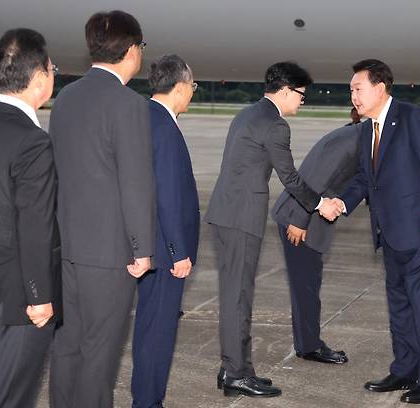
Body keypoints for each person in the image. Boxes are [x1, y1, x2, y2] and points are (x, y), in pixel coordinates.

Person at [205, 61, 343, 398]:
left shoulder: (248, 113)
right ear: (284, 91)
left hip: (225, 214)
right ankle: (237, 373)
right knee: (238, 298)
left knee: (234, 294)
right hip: (241, 219)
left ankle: (236, 367)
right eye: (300, 95)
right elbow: (291, 178)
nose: (301, 101)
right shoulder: (275, 125)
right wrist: (322, 202)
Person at [48, 11, 155, 407]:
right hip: (110, 254)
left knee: (67, 345)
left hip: (68, 246)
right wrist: (142, 248)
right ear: (131, 51)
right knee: (100, 353)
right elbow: (136, 182)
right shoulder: (128, 104)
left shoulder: (65, 98)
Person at [333, 59, 420, 405]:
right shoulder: (367, 129)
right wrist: (342, 204)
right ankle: (404, 369)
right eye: (351, 90)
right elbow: (363, 180)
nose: (353, 95)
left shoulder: (412, 117)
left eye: (357, 88)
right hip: (390, 234)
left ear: (379, 87)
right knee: (399, 307)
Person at [0, 28, 60, 408]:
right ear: (38, 80)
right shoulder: (32, 140)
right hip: (14, 302)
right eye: (52, 68)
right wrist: (40, 297)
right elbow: (35, 226)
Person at [130, 55, 200, 408]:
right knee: (158, 332)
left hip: (146, 245)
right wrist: (179, 252)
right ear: (179, 86)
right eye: (193, 86)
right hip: (163, 251)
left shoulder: (142, 116)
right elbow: (168, 196)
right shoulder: (165, 128)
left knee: (147, 328)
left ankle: (144, 398)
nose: (192, 93)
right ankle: (148, 402)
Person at [271, 123, 363, 366]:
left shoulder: (354, 137)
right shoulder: (349, 143)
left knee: (307, 285)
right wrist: (299, 220)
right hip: (302, 221)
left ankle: (306, 343)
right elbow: (313, 179)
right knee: (306, 287)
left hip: (308, 219)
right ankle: (310, 346)